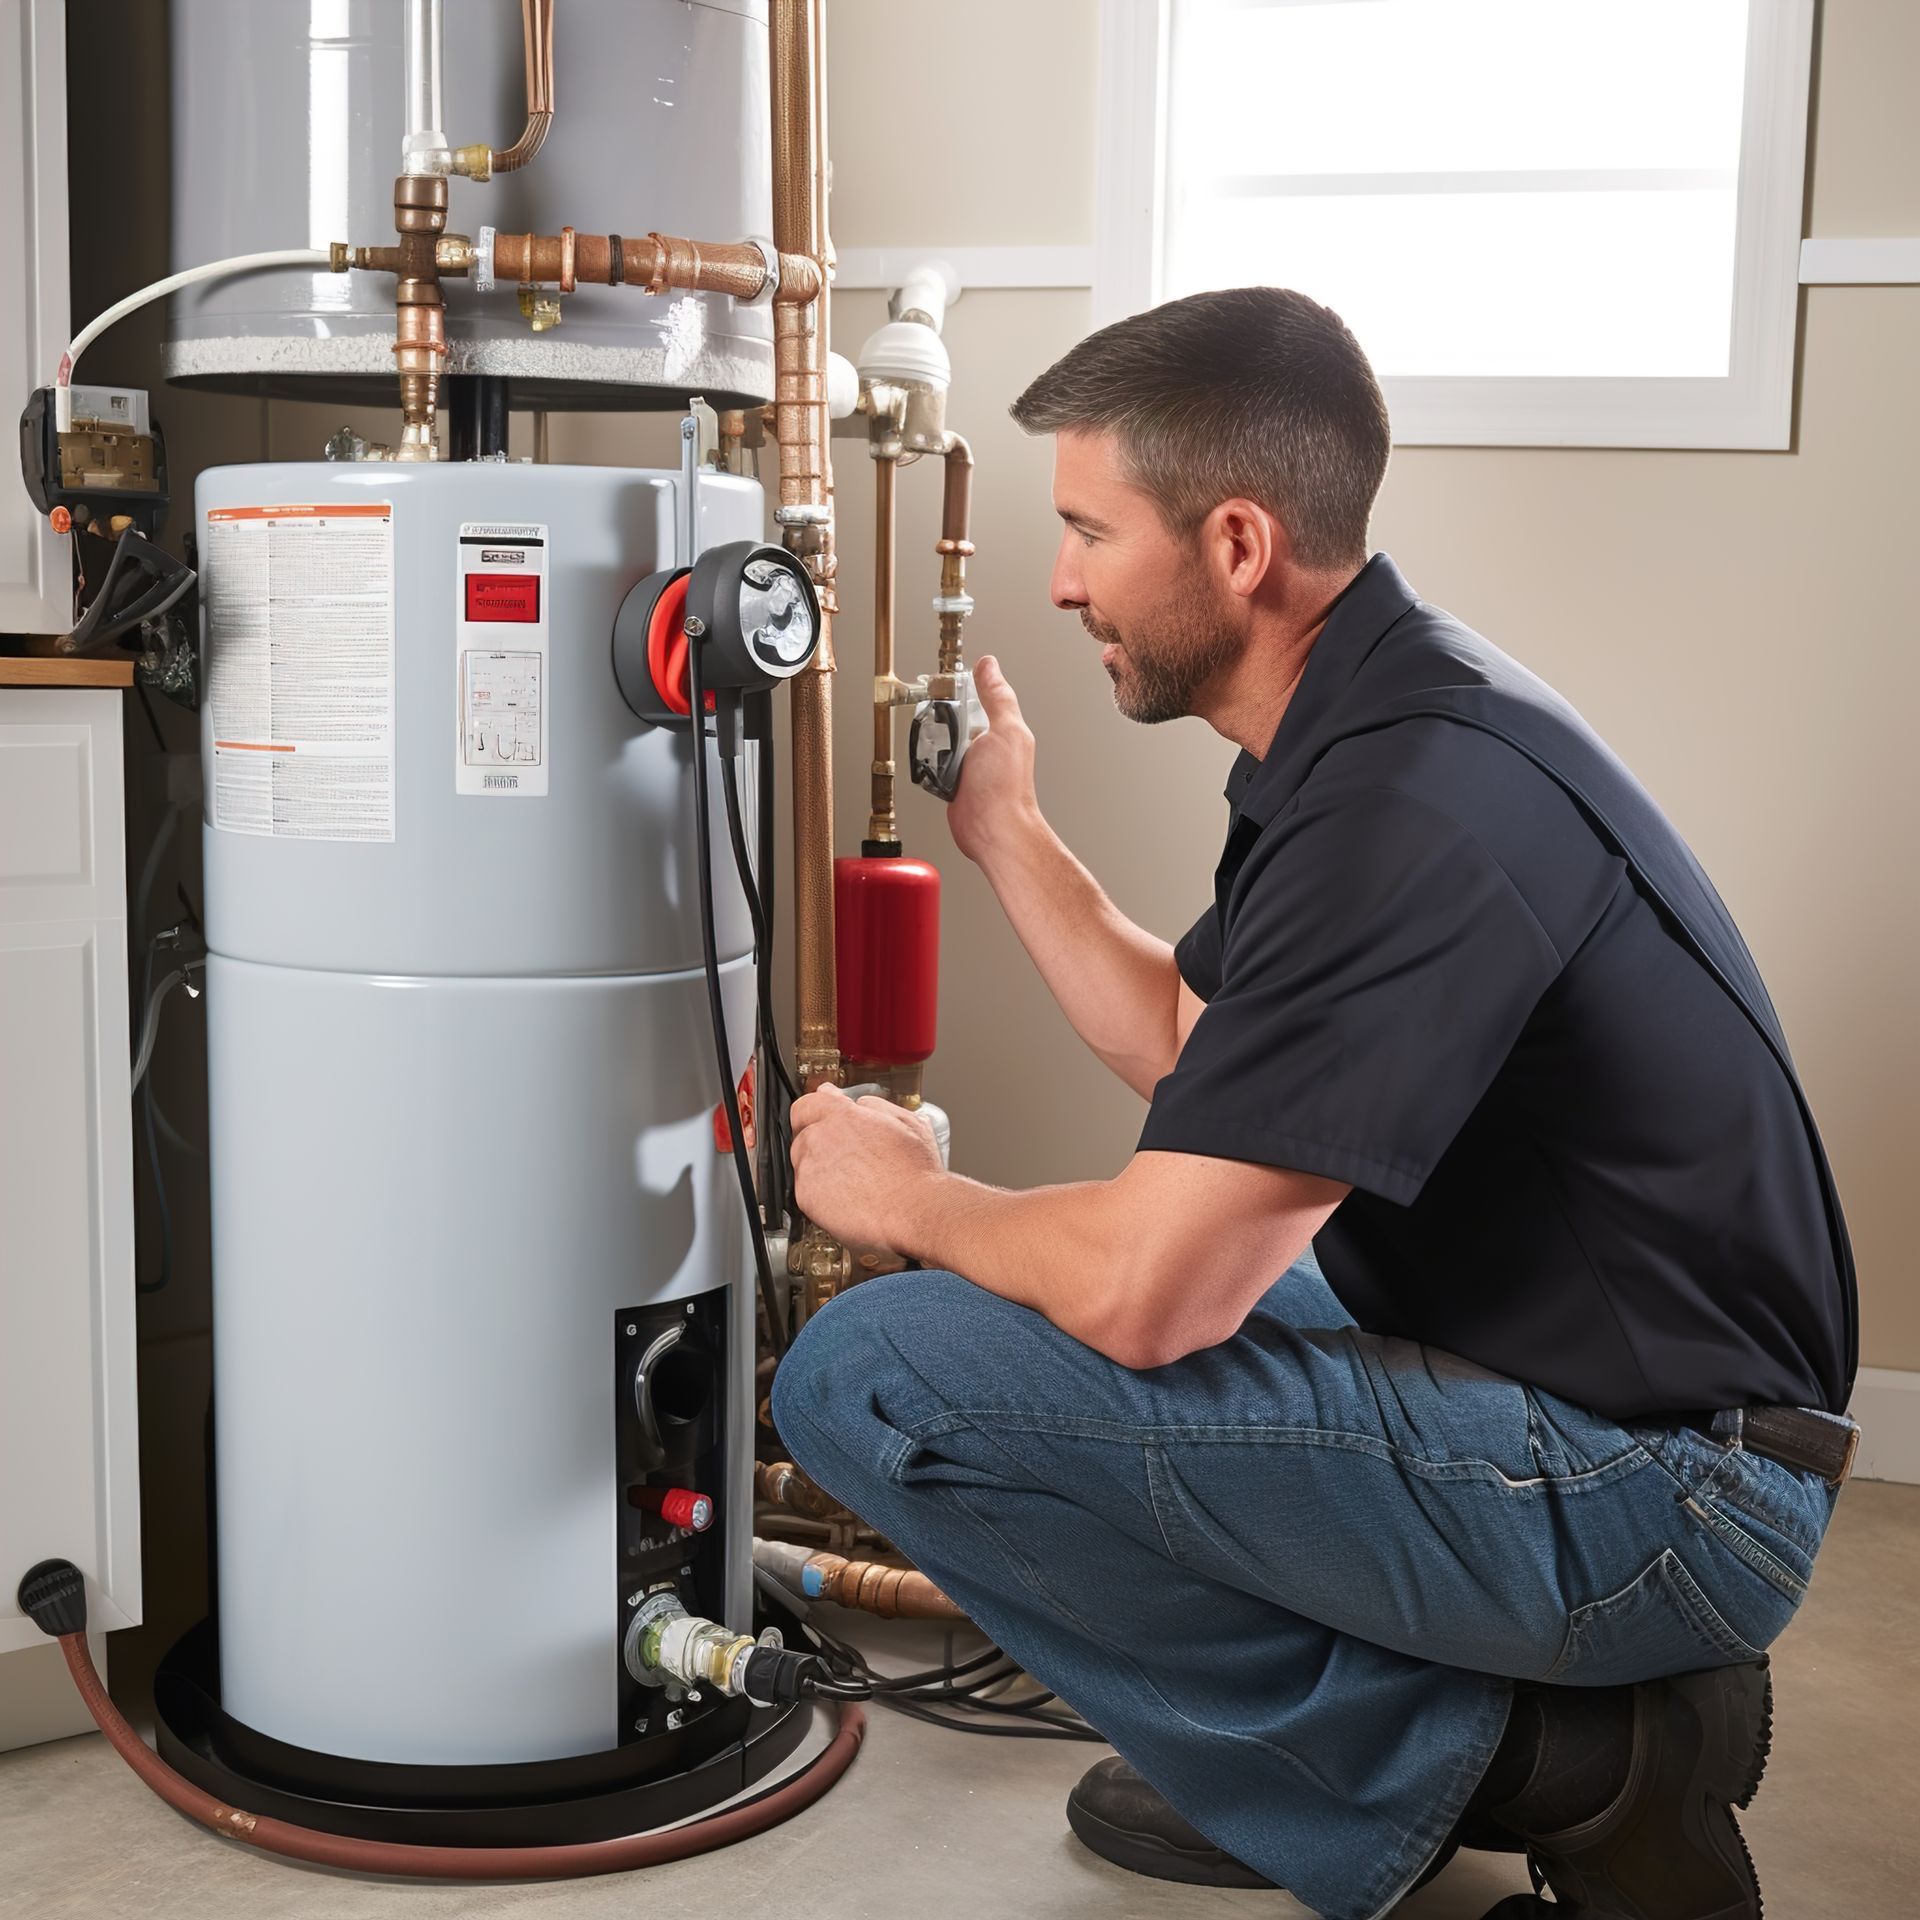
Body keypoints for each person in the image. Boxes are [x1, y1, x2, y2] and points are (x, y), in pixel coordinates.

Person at [772, 287, 1858, 1920]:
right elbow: (1194, 1051)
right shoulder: (1376, 716)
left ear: (1234, 543)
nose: (1060, 580)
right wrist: (1005, 833)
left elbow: (1154, 1292)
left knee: (880, 1367)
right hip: (1589, 1388)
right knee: (1138, 1264)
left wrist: (904, 1199)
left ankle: (1567, 1760)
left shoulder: (1411, 808)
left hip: (1674, 1500)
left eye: (1087, 531)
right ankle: (1306, 1764)